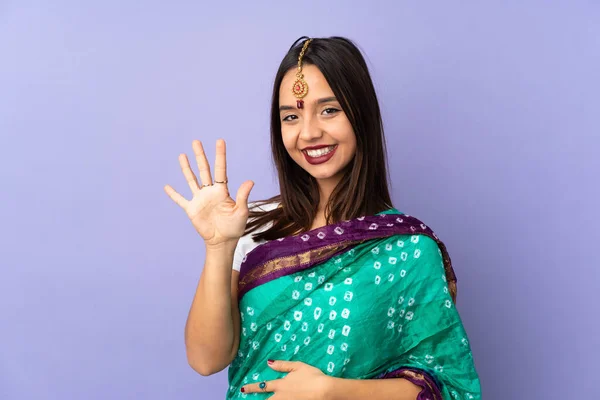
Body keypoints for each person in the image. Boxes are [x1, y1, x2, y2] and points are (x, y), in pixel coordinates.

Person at [164, 36, 481, 400]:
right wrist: (219, 246)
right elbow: (206, 360)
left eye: (329, 110)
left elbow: (448, 385)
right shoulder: (252, 226)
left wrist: (332, 391)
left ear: (360, 114)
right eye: (291, 116)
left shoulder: (407, 248)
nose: (309, 132)